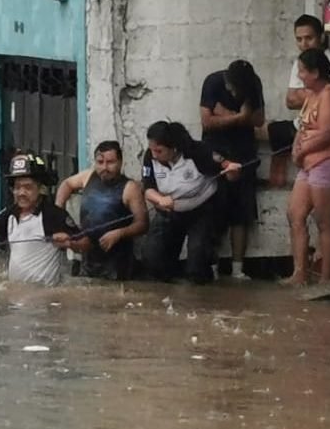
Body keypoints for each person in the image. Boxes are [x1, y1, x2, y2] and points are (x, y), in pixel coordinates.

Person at [0, 153, 81, 286]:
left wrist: (71, 243)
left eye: (28, 187)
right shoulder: (10, 213)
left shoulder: (52, 215)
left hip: (43, 298)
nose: (21, 193)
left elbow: (85, 242)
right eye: (17, 187)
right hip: (16, 295)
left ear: (41, 188)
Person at [140, 120, 242, 285]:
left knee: (197, 260)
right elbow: (147, 188)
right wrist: (160, 199)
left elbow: (228, 171)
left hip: (202, 210)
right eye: (152, 150)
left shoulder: (198, 152)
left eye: (159, 151)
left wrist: (233, 171)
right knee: (153, 256)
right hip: (169, 211)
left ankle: (202, 284)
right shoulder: (150, 158)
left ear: (173, 148)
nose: (154, 155)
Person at [287, 49, 330, 286]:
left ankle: (325, 278)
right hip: (307, 165)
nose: (300, 76)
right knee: (295, 214)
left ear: (315, 72)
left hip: (327, 162)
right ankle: (299, 273)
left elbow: (325, 134)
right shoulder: (311, 95)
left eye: (303, 71)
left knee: (323, 221)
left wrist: (302, 150)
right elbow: (303, 128)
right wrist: (296, 148)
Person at [199, 59, 266, 279]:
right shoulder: (213, 82)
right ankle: (212, 267)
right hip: (215, 153)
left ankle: (238, 268)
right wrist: (239, 117)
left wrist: (225, 115)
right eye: (234, 89)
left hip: (244, 153)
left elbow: (258, 119)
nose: (237, 94)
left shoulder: (253, 84)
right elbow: (207, 122)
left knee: (242, 213)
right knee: (214, 211)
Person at [55, 140, 147, 280]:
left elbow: (143, 224)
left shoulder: (130, 188)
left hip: (116, 262)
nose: (104, 167)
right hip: (88, 256)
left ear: (121, 162)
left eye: (110, 162)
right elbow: (67, 184)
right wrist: (59, 212)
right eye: (100, 162)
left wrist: (119, 233)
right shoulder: (88, 176)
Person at [285, 14, 330, 111]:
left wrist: (301, 93)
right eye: (299, 39)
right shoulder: (300, 61)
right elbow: (290, 101)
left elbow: (325, 99)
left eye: (309, 38)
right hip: (302, 122)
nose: (304, 44)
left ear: (321, 38)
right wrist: (313, 93)